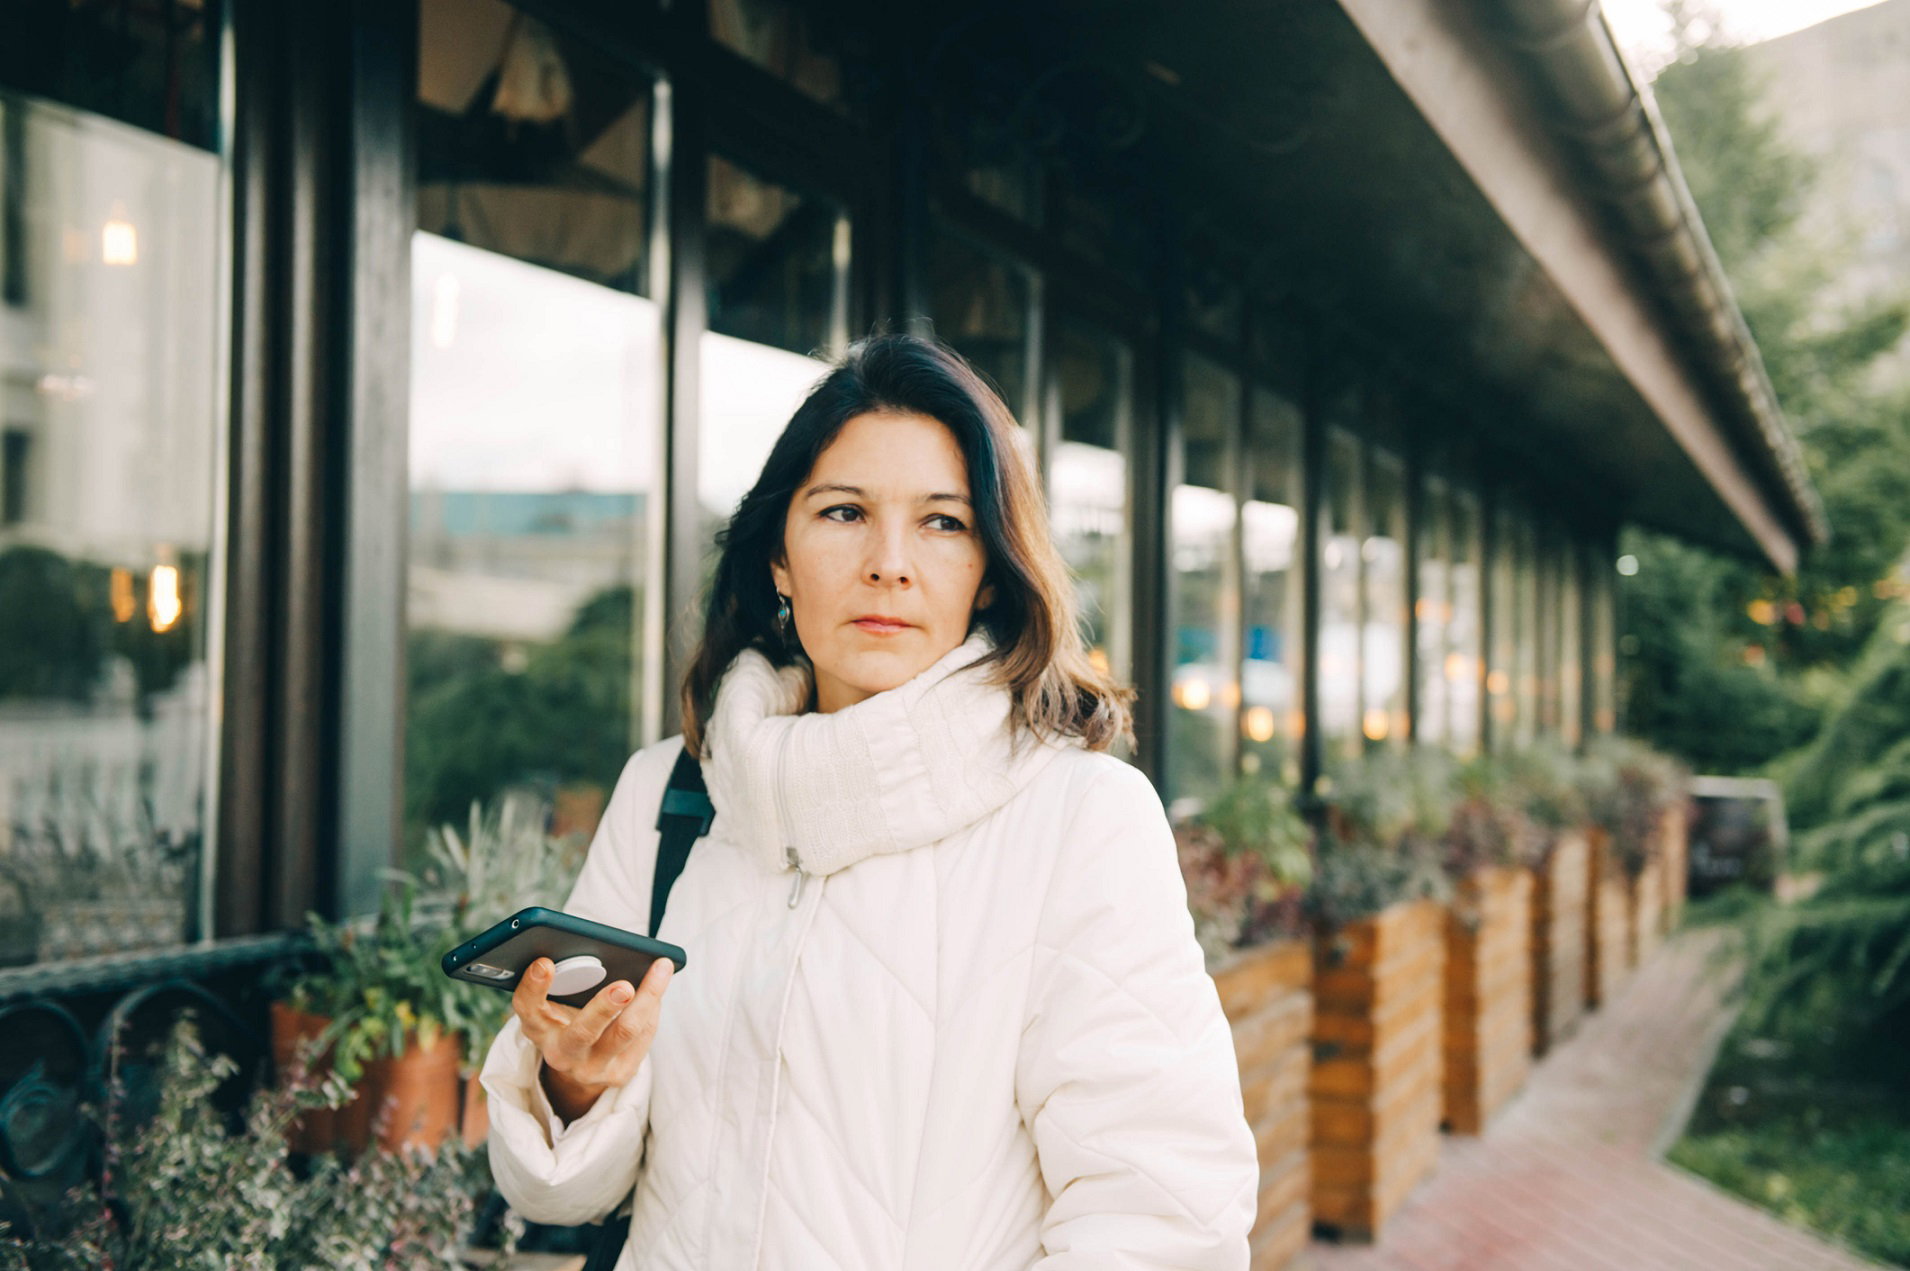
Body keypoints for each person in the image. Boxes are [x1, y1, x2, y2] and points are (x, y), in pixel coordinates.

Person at [480, 334, 1258, 1269]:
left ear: (989, 567)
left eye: (943, 523)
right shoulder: (671, 794)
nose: (890, 562)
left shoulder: (1081, 820)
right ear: (779, 555)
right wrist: (571, 1085)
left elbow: (1166, 1217)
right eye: (844, 511)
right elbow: (555, 1191)